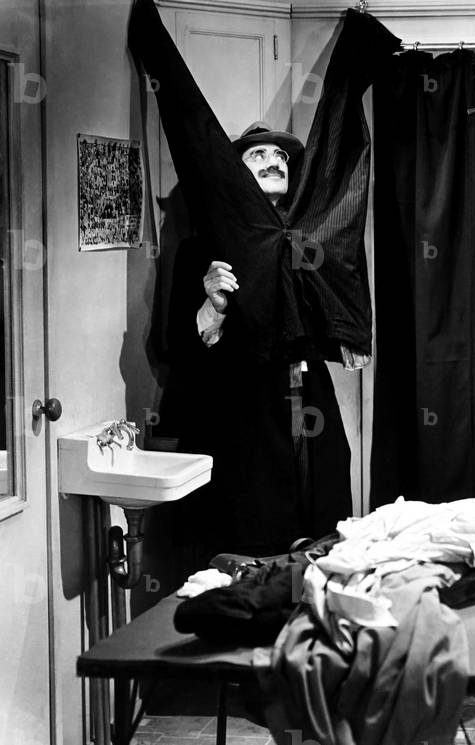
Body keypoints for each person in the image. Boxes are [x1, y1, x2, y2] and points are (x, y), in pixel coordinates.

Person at [166, 122, 357, 561]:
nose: (275, 162)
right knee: (252, 532)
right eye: (258, 156)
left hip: (309, 404)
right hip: (242, 416)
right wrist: (213, 306)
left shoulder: (309, 243)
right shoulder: (201, 251)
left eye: (281, 157)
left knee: (321, 522)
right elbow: (178, 348)